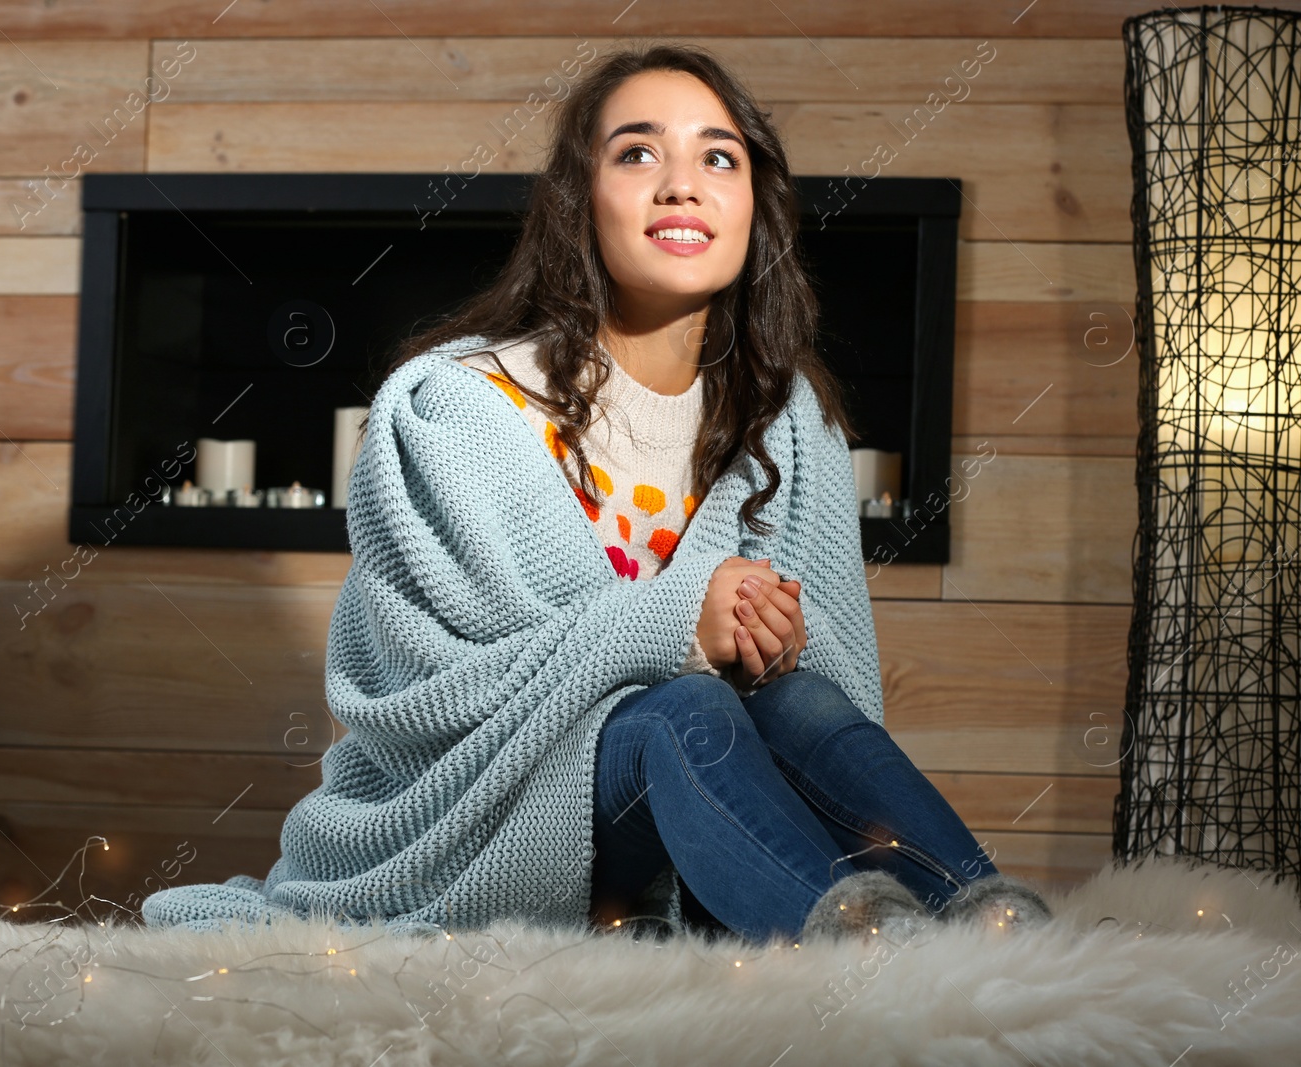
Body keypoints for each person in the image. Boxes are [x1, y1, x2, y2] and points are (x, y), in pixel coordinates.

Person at [141, 43, 1052, 946]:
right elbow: (416, 699)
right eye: (638, 152)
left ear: (753, 209)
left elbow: (840, 703)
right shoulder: (454, 412)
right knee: (684, 711)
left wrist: (767, 648)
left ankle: (996, 929)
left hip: (708, 822)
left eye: (718, 157)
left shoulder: (789, 423)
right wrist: (676, 625)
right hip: (480, 819)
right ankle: (861, 953)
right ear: (582, 200)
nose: (682, 185)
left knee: (796, 700)